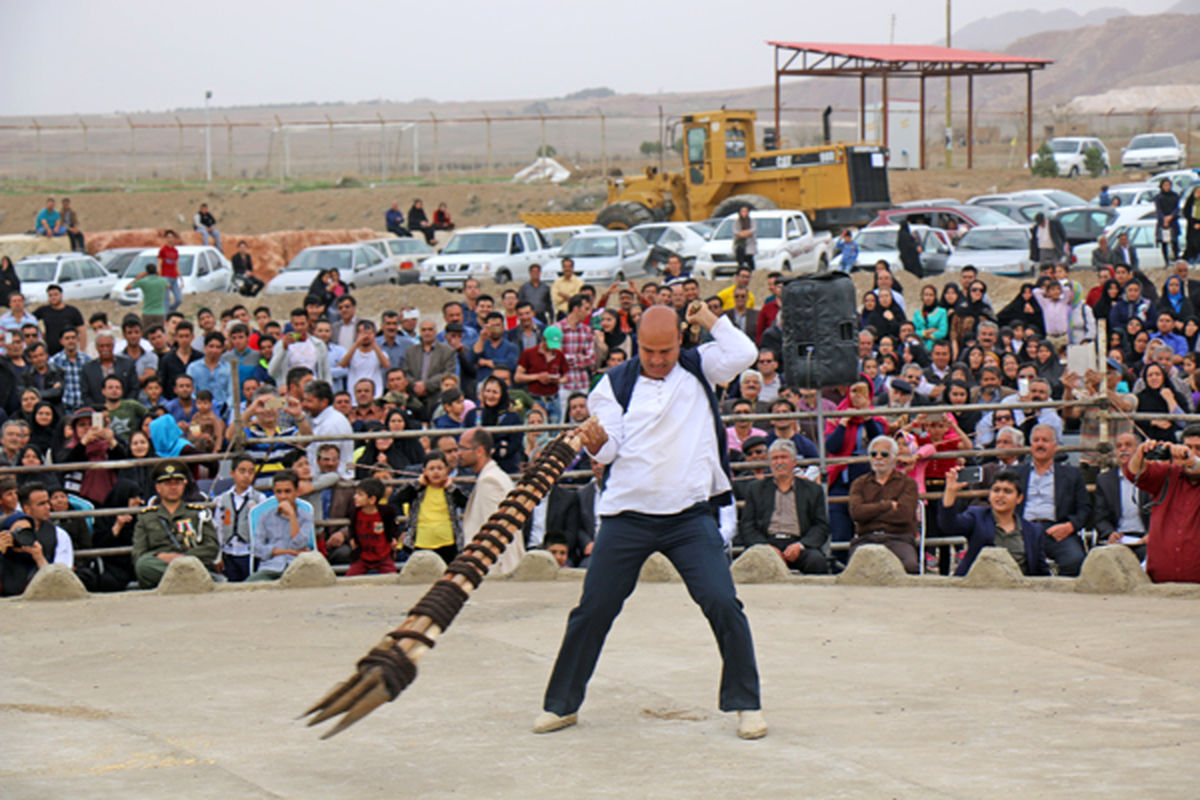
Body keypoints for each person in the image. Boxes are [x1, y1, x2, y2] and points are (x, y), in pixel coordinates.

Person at [536, 303, 766, 740]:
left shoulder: (701, 367)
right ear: (635, 345)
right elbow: (607, 453)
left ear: (681, 341)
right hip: (627, 516)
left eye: (666, 350)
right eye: (648, 351)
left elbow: (745, 353)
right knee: (593, 609)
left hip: (689, 515)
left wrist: (709, 319)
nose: (658, 360)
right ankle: (561, 705)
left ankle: (746, 703)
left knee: (722, 602)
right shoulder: (613, 384)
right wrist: (597, 443)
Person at [737, 438, 830, 574]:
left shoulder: (812, 490)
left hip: (799, 543)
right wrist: (766, 547)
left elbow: (821, 526)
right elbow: (747, 525)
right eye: (775, 458)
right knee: (754, 563)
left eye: (783, 457)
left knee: (817, 561)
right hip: (766, 543)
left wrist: (800, 545)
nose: (779, 462)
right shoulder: (756, 489)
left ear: (794, 462)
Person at [1124, 425, 1200, 583]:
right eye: (1189, 447)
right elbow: (1133, 472)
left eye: (1198, 448)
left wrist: (1193, 461)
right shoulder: (1168, 473)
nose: (1192, 453)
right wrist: (1141, 452)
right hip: (1161, 582)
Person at [939, 467, 1049, 577]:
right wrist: (950, 491)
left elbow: (1041, 571)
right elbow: (949, 526)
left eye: (1008, 491)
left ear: (1019, 498)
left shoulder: (1033, 531)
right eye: (996, 490)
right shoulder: (977, 517)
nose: (1000, 495)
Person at [130, 460, 219, 589]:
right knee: (143, 566)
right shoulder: (147, 517)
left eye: (177, 483)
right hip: (158, 568)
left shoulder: (197, 513)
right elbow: (138, 554)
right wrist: (159, 557)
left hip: (192, 563)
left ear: (184, 485)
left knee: (196, 566)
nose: (173, 487)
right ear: (158, 488)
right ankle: (189, 579)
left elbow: (211, 547)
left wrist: (181, 559)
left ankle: (187, 576)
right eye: (167, 484)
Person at [1016, 424, 1089, 577]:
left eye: (1045, 440)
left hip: (1056, 530)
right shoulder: (1016, 474)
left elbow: (1085, 509)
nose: (1040, 444)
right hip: (1022, 530)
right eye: (1036, 440)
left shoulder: (1072, 475)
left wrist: (1069, 527)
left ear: (1055, 447)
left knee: (1075, 560)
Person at [847, 435, 921, 573]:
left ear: (894, 457)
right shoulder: (859, 483)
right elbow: (856, 513)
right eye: (874, 454)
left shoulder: (908, 483)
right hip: (866, 538)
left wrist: (870, 512)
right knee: (854, 571)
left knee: (910, 567)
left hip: (899, 538)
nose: (878, 458)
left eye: (884, 454)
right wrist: (887, 506)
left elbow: (904, 515)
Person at [458, 426, 520, 575]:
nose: (459, 454)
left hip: (494, 570)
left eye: (463, 448)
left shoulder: (490, 482)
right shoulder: (495, 476)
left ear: (479, 451)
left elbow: (495, 534)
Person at [391, 450, 468, 565]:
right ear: (424, 471)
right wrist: (417, 484)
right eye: (431, 469)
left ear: (447, 470)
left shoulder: (451, 490)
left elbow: (466, 502)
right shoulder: (418, 490)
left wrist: (451, 488)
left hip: (447, 542)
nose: (436, 472)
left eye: (440, 468)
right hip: (422, 541)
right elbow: (396, 498)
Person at [1092, 431, 1151, 561]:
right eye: (1119, 446)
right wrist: (1110, 533)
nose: (1123, 449)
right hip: (1117, 538)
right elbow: (1100, 517)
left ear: (1139, 450)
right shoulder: (1105, 480)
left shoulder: (1151, 477)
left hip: (1145, 538)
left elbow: (1160, 512)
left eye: (1128, 445)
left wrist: (1152, 534)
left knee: (1152, 555)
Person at [246, 470, 313, 582]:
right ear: (274, 492)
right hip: (270, 567)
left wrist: (292, 516)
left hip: (297, 567)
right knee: (249, 585)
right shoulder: (265, 517)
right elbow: (257, 549)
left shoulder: (305, 516)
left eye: (287, 491)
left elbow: (299, 544)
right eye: (279, 492)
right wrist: (289, 552)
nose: (283, 496)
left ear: (296, 491)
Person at [214, 454, 267, 583]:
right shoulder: (223, 499)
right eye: (242, 471)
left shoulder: (259, 498)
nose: (246, 476)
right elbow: (218, 527)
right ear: (232, 473)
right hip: (228, 551)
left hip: (249, 552)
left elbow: (264, 528)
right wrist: (218, 555)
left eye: (250, 472)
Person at [345, 477, 400, 575]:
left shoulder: (386, 512)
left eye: (360, 495)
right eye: (356, 493)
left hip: (383, 556)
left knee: (392, 577)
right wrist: (352, 539)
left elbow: (393, 527)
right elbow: (352, 527)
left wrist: (394, 538)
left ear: (372, 499)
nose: (355, 497)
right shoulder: (355, 512)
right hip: (362, 556)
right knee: (350, 578)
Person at [34, 284, 86, 358]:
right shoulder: (43, 310)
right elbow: (30, 320)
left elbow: (82, 330)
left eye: (55, 295)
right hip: (50, 352)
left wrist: (82, 349)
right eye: (50, 295)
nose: (53, 297)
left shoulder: (72, 311)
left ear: (61, 295)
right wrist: (40, 333)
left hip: (69, 352)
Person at [1154, 178, 1181, 264]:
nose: (1167, 187)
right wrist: (1164, 218)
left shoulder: (1175, 196)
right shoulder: (1158, 197)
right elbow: (1158, 210)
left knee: (1175, 241)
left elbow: (1177, 208)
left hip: (1173, 221)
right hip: (1163, 222)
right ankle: (1166, 261)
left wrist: (1171, 216)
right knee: (1164, 243)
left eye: (1168, 185)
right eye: (1165, 185)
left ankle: (1176, 259)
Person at [157, 230, 183, 314]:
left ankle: (170, 311)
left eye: (172, 237)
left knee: (179, 299)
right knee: (166, 300)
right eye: (168, 237)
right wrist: (161, 279)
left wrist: (181, 279)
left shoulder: (175, 251)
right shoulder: (163, 250)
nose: (170, 239)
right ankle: (166, 318)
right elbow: (159, 265)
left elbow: (176, 265)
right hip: (165, 277)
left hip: (174, 277)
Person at [731, 205, 757, 271]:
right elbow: (736, 232)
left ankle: (752, 272)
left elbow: (752, 230)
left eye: (746, 211)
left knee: (749, 259)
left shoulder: (751, 221)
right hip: (740, 243)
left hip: (750, 243)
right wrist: (743, 233)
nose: (744, 213)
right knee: (740, 259)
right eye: (742, 211)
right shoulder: (737, 222)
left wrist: (746, 232)